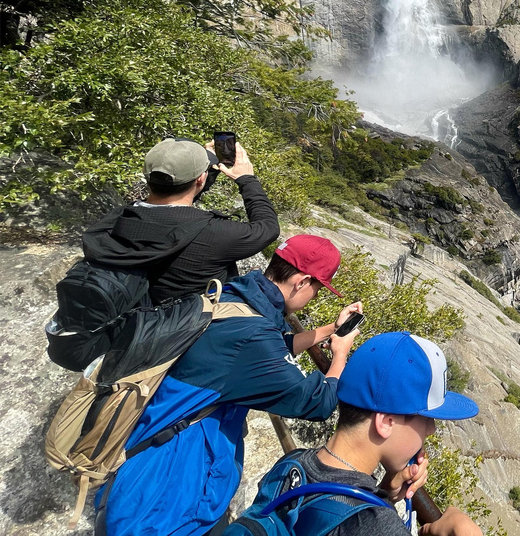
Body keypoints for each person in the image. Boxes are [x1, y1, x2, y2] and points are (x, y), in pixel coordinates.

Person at [96, 235, 363, 536]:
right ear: (301, 282)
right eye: (316, 288)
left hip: (145, 462)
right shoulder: (254, 335)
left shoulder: (233, 298)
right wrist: (339, 356)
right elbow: (317, 402)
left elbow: (272, 349)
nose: (313, 296)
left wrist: (330, 330)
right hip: (169, 494)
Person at [245, 331, 481, 536]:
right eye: (427, 419)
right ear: (387, 422)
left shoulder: (293, 462)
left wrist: (385, 494)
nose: (432, 429)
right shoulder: (374, 526)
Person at [82, 137, 280, 301]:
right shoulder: (213, 234)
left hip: (134, 323)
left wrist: (196, 163)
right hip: (185, 336)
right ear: (201, 179)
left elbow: (178, 199)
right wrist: (247, 179)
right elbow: (268, 227)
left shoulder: (117, 219)